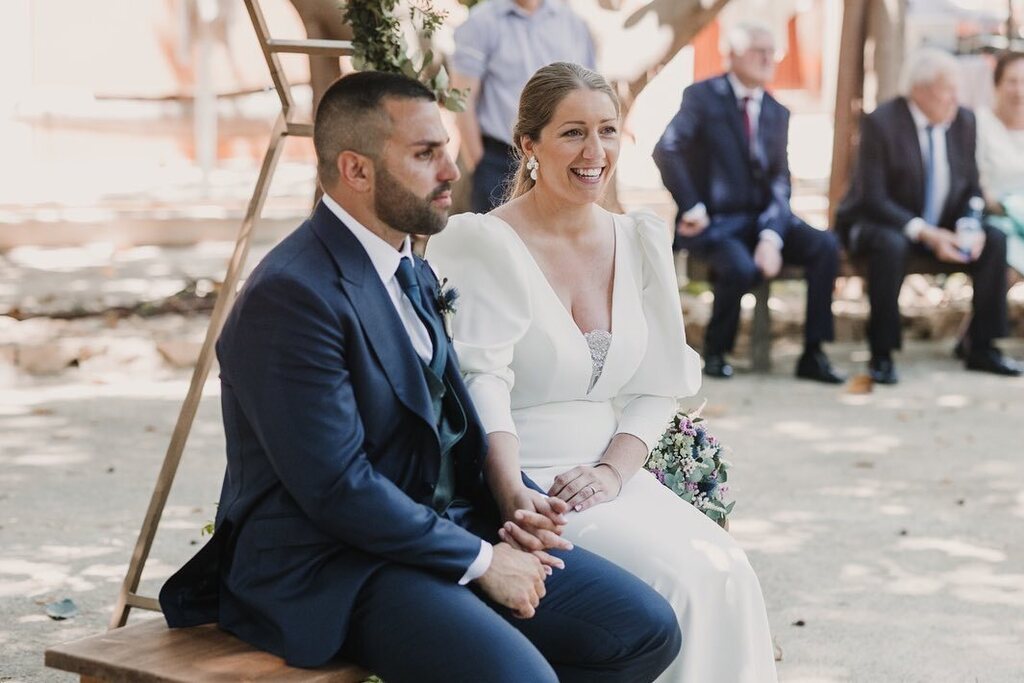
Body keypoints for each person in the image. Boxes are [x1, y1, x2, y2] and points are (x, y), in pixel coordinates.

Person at [158, 71, 683, 683]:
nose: (450, 172)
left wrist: (512, 497)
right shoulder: (291, 297)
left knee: (644, 630)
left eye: (446, 149)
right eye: (424, 154)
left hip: (436, 527)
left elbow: (451, 426)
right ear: (357, 170)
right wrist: (482, 560)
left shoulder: (405, 264)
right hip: (332, 565)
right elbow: (338, 490)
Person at [427, 62, 778, 683]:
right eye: (573, 133)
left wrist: (615, 470)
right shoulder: (479, 241)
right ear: (529, 145)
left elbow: (661, 381)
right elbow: (483, 385)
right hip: (526, 476)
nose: (595, 152)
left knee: (724, 568)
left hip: (612, 471)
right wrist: (515, 496)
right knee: (678, 580)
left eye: (608, 131)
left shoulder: (639, 238)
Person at [652, 21, 844, 383]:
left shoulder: (777, 111)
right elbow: (667, 148)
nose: (769, 58)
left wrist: (773, 236)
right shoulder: (702, 97)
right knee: (740, 267)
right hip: (715, 224)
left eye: (773, 52)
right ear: (733, 53)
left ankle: (814, 353)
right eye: (760, 50)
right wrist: (692, 206)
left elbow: (779, 181)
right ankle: (717, 352)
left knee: (825, 246)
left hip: (763, 221)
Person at [836, 47, 1022, 383]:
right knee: (890, 246)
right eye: (947, 90)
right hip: (880, 224)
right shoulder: (882, 123)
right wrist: (926, 232)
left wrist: (969, 226)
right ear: (919, 91)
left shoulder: (963, 121)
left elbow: (971, 187)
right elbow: (871, 198)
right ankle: (883, 353)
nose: (955, 98)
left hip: (942, 227)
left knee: (994, 238)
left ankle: (982, 347)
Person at [451, 0, 595, 213]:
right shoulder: (481, 22)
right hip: (499, 162)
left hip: (563, 157)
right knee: (498, 242)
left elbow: (589, 94)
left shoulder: (572, 23)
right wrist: (479, 164)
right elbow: (462, 101)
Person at [976, 50, 1024, 275]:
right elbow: (976, 182)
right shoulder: (979, 124)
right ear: (997, 85)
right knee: (1000, 246)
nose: (1019, 91)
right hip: (996, 216)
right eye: (1012, 82)